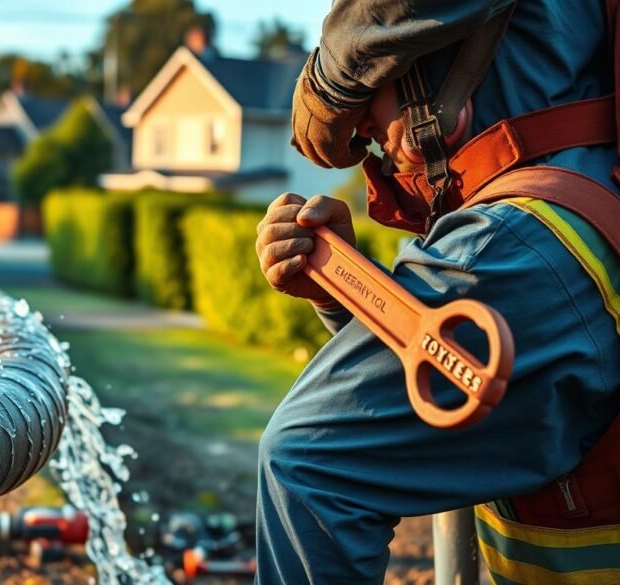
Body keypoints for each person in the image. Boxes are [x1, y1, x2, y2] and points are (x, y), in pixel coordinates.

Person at [254, 0, 620, 583]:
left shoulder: (520, 251)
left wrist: (330, 81)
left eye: (379, 83)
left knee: (305, 458)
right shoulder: (585, 221)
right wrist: (342, 292)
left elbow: (318, 460)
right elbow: (451, 389)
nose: (366, 131)